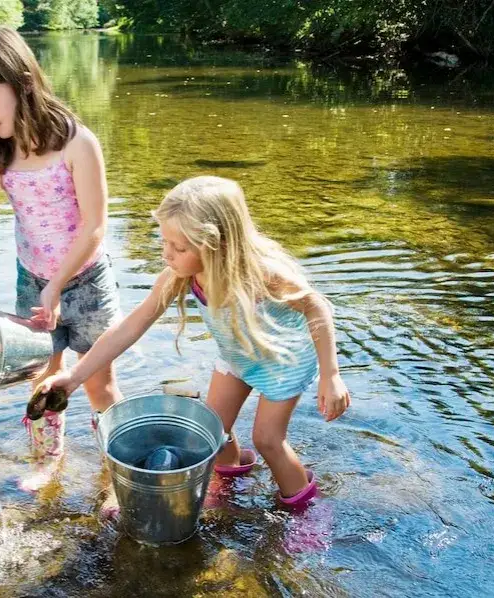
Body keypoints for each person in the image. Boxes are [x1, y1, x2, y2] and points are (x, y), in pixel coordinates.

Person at [39, 176, 351, 506]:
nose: (167, 254)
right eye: (165, 242)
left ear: (217, 244)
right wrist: (75, 377)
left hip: (282, 362)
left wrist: (331, 375)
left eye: (180, 247)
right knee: (211, 433)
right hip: (237, 356)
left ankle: (304, 507)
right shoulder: (180, 274)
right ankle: (231, 478)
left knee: (268, 439)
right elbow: (131, 326)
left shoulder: (262, 273)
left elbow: (315, 307)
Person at [0, 27, 122, 466]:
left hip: (86, 281)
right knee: (42, 376)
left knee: (98, 383)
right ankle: (48, 462)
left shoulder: (76, 143)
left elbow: (95, 227)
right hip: (32, 279)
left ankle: (116, 473)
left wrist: (58, 285)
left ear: (21, 80)